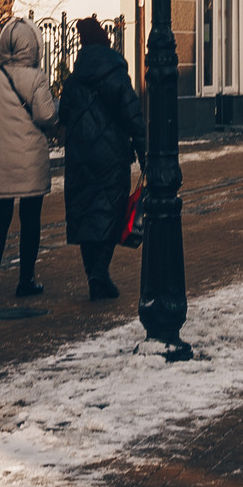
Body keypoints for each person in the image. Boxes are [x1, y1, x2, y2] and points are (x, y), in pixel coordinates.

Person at [0, 17, 59, 304]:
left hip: (0, 160)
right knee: (30, 222)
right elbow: (47, 116)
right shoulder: (37, 78)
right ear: (34, 46)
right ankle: (25, 280)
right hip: (30, 163)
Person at [57, 16, 142, 301]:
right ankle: (99, 272)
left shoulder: (73, 80)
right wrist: (145, 153)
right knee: (112, 212)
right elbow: (133, 116)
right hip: (112, 156)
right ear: (106, 43)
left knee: (86, 214)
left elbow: (63, 116)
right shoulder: (117, 75)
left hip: (80, 158)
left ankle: (95, 275)